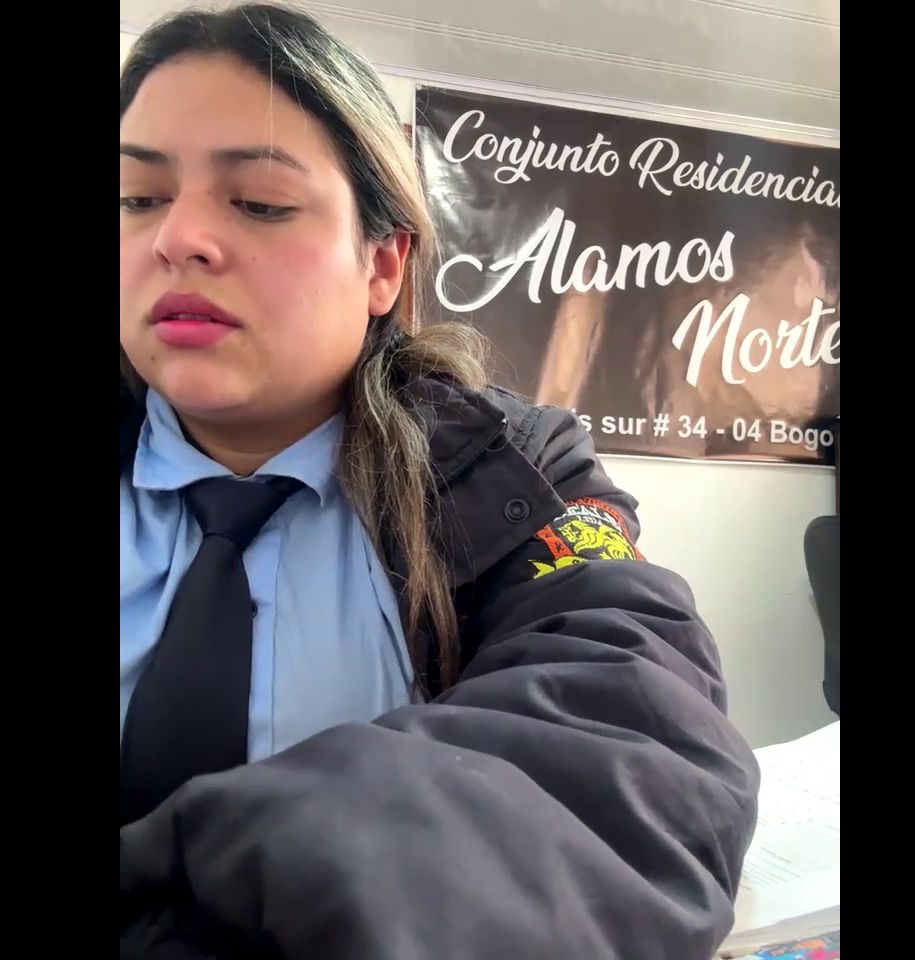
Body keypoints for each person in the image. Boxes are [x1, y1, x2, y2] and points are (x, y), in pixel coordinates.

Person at [119, 5, 760, 957]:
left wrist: (244, 881)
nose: (179, 239)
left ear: (382, 265)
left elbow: (638, 738)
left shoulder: (512, 468)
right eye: (138, 199)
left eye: (258, 203)